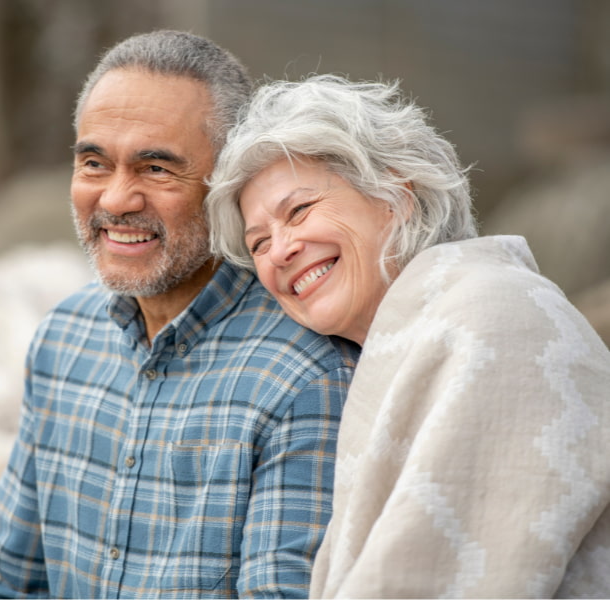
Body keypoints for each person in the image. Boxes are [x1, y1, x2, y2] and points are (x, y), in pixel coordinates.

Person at [0, 32, 360, 599]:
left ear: (230, 184)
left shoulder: (305, 374)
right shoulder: (64, 337)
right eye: (94, 162)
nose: (116, 200)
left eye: (156, 169)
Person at [206, 73, 610, 598]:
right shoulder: (406, 334)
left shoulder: (493, 317)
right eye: (258, 242)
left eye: (300, 210)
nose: (279, 250)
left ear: (397, 195)